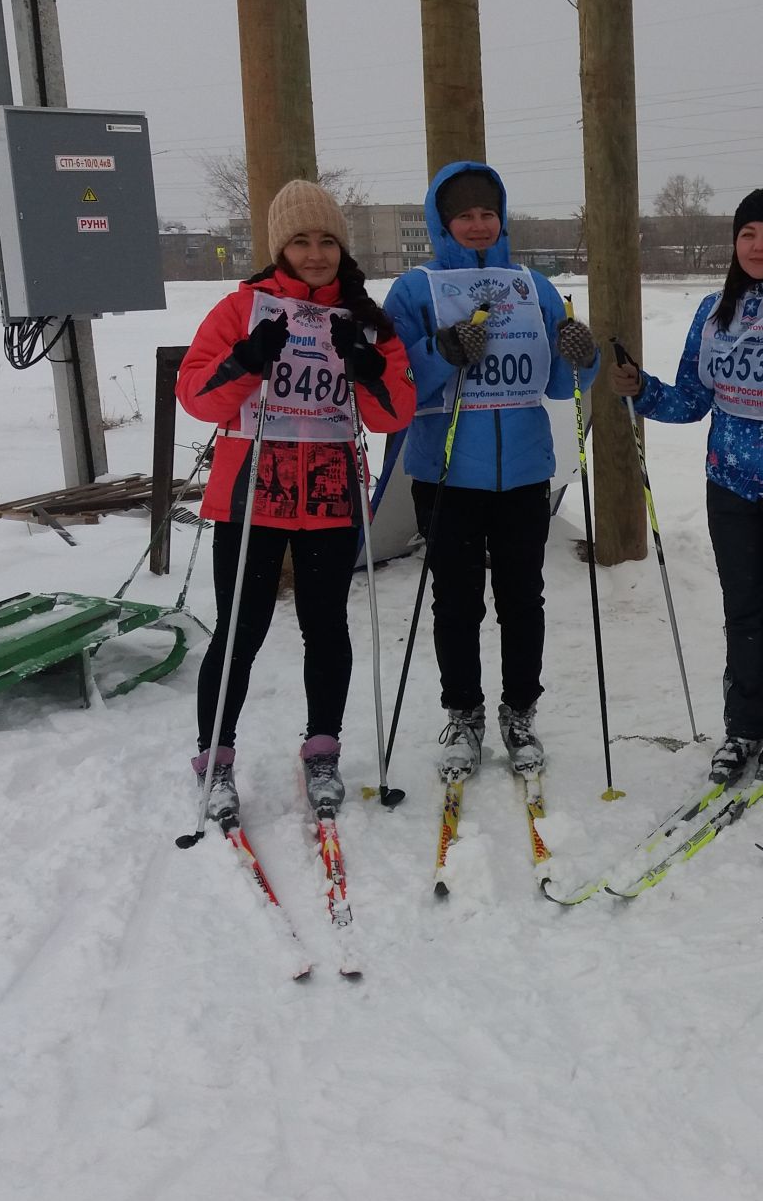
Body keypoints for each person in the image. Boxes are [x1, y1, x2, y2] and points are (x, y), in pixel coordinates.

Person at [177, 178, 416, 822]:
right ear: (280, 248)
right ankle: (215, 757)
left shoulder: (367, 321)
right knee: (240, 630)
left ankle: (323, 747)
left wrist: (366, 369)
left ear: (342, 247)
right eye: (301, 241)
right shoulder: (242, 309)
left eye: (327, 241)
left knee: (326, 625)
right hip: (252, 491)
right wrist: (246, 361)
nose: (316, 254)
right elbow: (195, 395)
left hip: (332, 494)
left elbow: (395, 413)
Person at [610, 187, 763, 786]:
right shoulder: (714, 310)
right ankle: (743, 724)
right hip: (729, 481)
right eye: (748, 234)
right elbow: (691, 400)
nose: (758, 246)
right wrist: (640, 388)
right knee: (742, 608)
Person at [382, 162, 597, 780]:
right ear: (442, 223)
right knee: (456, 601)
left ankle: (520, 711)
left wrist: (585, 356)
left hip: (525, 469)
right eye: (464, 215)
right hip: (447, 470)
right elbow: (394, 384)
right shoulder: (414, 290)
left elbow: (562, 381)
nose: (478, 225)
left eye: (487, 213)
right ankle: (463, 712)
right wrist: (441, 352)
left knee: (522, 598)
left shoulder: (534, 286)